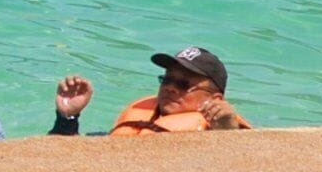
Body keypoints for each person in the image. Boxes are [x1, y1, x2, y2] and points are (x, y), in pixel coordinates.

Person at [51, 48, 250, 135]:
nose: (170, 87)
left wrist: (226, 128)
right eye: (167, 79)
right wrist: (67, 117)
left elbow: (237, 167)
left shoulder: (215, 128)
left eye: (183, 84)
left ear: (214, 99)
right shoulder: (141, 119)